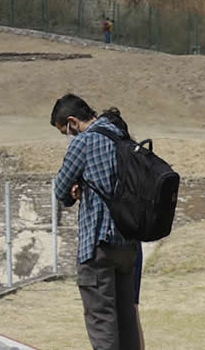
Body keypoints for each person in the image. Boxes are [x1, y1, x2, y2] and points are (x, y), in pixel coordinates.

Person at [51, 94, 141, 350]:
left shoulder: (85, 142)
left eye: (64, 131)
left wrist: (75, 193)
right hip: (129, 242)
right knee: (126, 320)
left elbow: (60, 191)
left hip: (99, 245)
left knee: (102, 321)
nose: (68, 136)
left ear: (72, 122)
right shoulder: (120, 134)